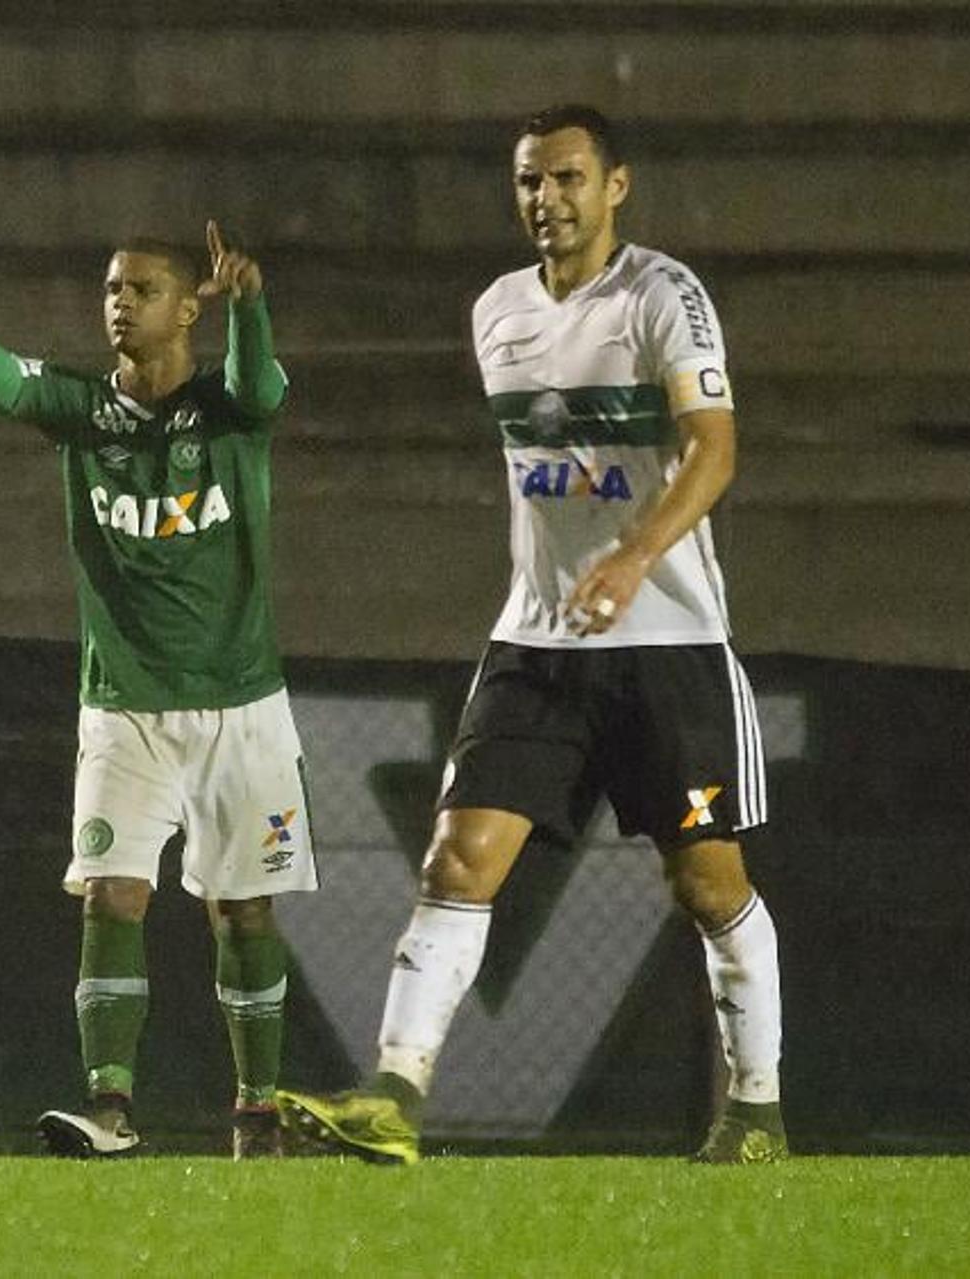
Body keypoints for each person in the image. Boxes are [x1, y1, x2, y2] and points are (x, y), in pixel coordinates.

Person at [277, 103, 786, 1165]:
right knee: (458, 861)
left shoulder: (663, 295)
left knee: (707, 883)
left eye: (565, 179)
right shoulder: (495, 310)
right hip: (538, 646)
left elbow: (715, 450)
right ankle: (395, 1093)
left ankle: (755, 1106)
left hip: (668, 646)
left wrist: (634, 555)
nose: (545, 200)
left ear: (616, 186)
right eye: (528, 183)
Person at [0, 164, 317, 1160]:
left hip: (242, 703)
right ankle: (110, 1105)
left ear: (191, 307)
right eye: (110, 289)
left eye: (141, 290)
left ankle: (258, 1109)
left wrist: (258, 309)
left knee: (244, 908)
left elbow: (264, 386)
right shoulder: (80, 412)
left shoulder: (229, 409)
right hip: (125, 706)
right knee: (112, 894)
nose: (119, 305)